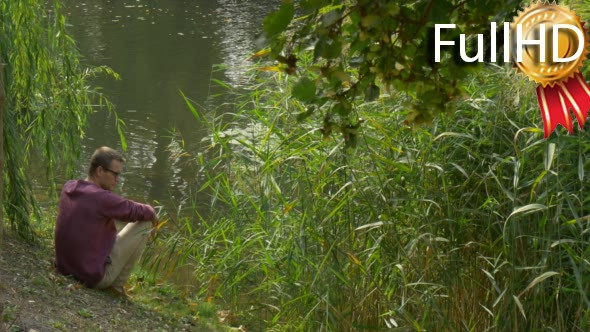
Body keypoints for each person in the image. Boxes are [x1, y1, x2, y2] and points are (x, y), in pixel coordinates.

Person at [54, 146, 157, 297]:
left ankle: (113, 282)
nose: (118, 179)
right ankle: (117, 286)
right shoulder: (101, 198)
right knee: (145, 224)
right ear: (100, 171)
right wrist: (153, 213)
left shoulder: (69, 186)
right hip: (91, 277)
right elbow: (140, 211)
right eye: (115, 174)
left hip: (64, 267)